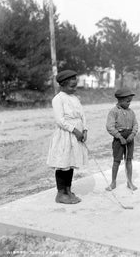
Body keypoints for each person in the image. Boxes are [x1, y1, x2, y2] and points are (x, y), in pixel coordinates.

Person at [47, 70, 88, 204]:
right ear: (63, 85)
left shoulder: (75, 98)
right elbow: (60, 120)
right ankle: (60, 193)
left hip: (76, 134)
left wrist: (85, 129)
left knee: (70, 163)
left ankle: (68, 190)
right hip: (65, 135)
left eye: (75, 86)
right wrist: (74, 130)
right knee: (62, 164)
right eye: (71, 86)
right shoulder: (58, 99)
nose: (74, 88)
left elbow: (82, 115)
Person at [105, 87, 138, 191]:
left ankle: (130, 182)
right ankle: (113, 182)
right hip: (119, 139)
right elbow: (110, 127)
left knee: (128, 160)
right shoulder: (113, 112)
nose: (129, 104)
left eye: (130, 102)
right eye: (128, 101)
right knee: (116, 161)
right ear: (120, 100)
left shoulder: (131, 112)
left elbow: (135, 124)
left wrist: (132, 134)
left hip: (129, 139)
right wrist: (119, 137)